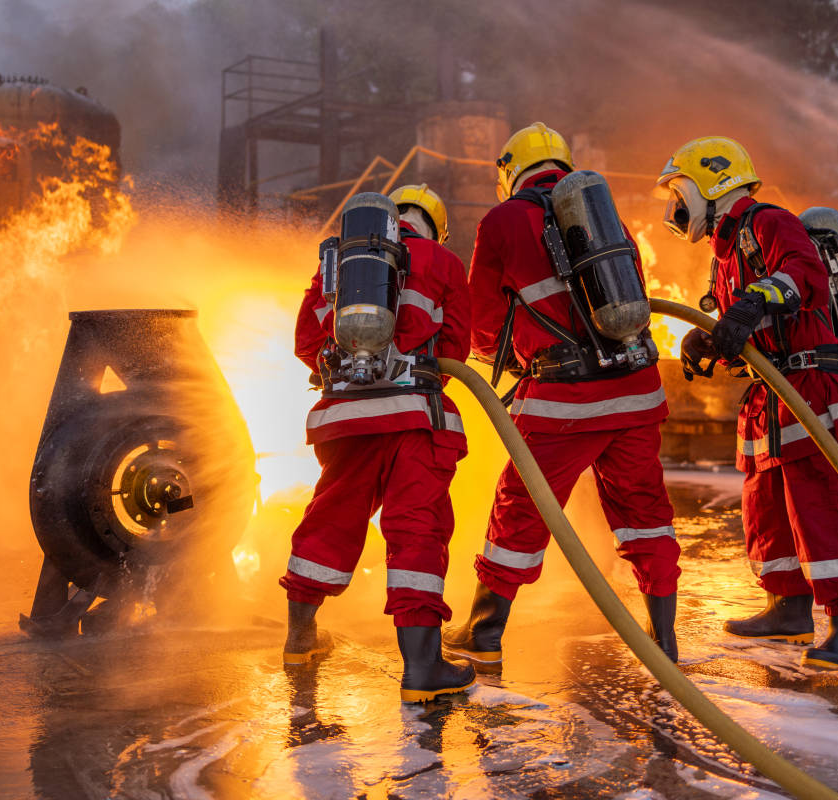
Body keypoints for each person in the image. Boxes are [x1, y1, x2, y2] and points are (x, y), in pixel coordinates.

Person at [445, 122, 681, 667]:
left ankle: (484, 632)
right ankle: (664, 639)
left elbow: (483, 321)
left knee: (521, 507)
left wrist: (503, 356)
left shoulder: (503, 219)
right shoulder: (604, 211)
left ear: (511, 173)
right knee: (646, 511)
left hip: (563, 402)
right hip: (636, 392)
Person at [655, 136, 838, 670]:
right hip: (769, 396)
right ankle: (787, 608)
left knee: (822, 508)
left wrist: (753, 301)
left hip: (811, 387)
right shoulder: (724, 254)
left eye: (680, 193)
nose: (676, 207)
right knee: (767, 509)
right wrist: (709, 340)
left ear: (711, 185)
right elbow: (746, 329)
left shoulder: (768, 222)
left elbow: (803, 273)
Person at [281, 183, 477, 702]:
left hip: (345, 422)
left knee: (331, 519)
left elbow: (306, 343)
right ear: (434, 226)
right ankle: (422, 669)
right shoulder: (444, 262)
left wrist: (353, 377)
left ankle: (299, 639)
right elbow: (456, 348)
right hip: (414, 420)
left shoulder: (337, 260)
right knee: (417, 529)